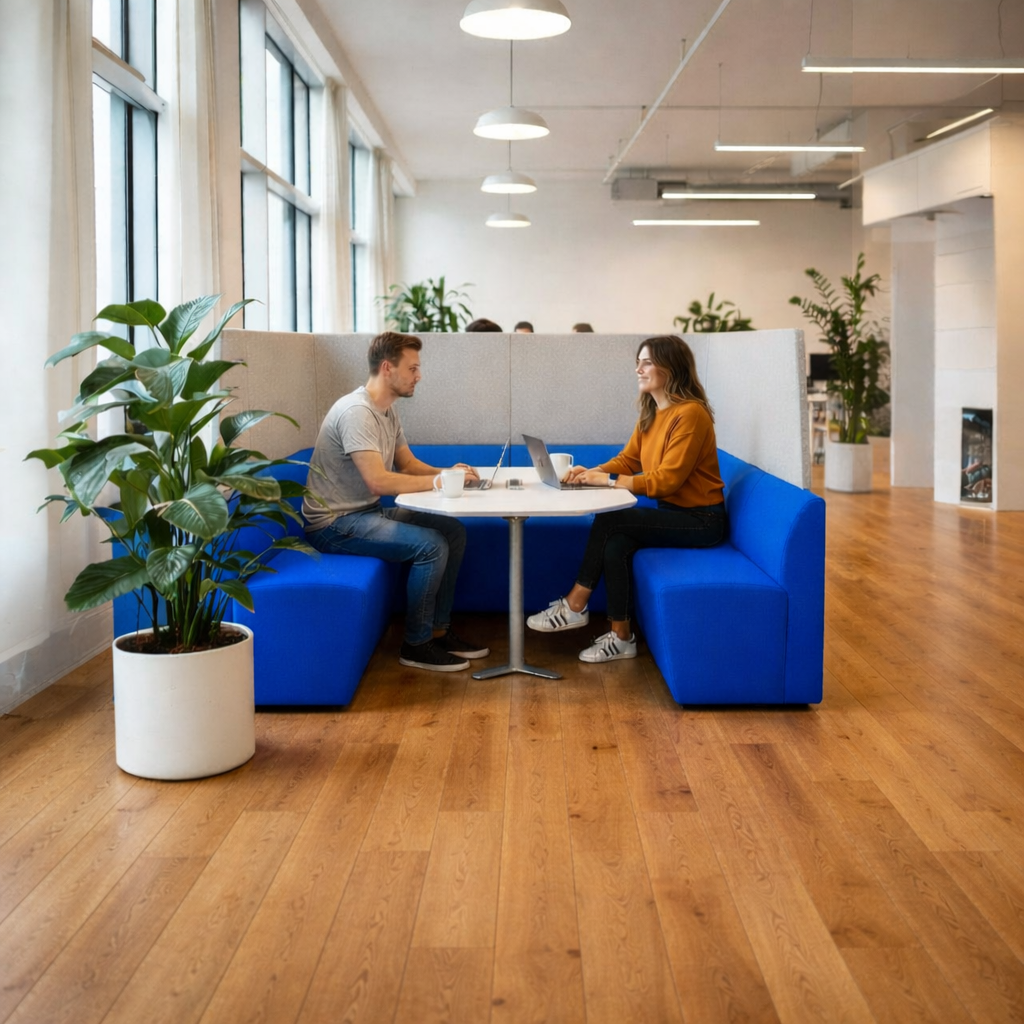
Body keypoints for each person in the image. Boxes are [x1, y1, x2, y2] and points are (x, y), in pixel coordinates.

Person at [526, 335, 728, 663]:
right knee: (616, 540)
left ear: (670, 366)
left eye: (646, 362)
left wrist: (603, 480)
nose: (638, 368)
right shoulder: (652, 412)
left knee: (612, 518)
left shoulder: (691, 414)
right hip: (675, 515)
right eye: (638, 361)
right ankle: (621, 637)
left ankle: (576, 603)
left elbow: (667, 481)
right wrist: (587, 472)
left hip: (702, 521)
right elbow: (627, 460)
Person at [302, 331, 489, 672]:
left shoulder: (386, 410)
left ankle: (438, 630)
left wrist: (450, 472)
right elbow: (379, 480)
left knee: (452, 531)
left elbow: (408, 465)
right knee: (431, 546)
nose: (419, 376)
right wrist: (438, 482)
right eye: (413, 368)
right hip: (334, 524)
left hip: (366, 513)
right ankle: (416, 644)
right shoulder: (357, 412)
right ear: (387, 368)